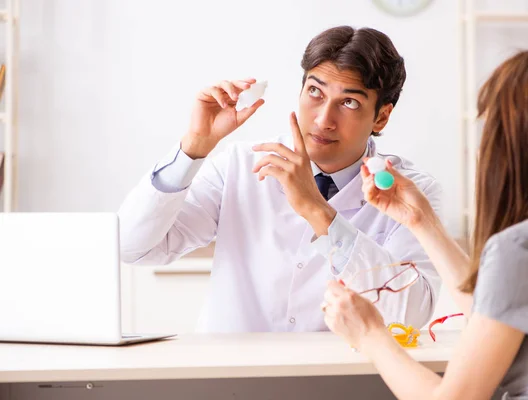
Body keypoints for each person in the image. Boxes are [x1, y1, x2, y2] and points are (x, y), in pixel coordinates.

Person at [118, 26, 443, 333]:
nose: (323, 119)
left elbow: (410, 314)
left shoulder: (411, 191)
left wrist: (319, 213)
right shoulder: (240, 165)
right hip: (231, 380)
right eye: (315, 91)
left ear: (381, 115)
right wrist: (193, 148)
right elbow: (132, 248)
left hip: (338, 381)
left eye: (349, 102)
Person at [322, 46, 528, 399]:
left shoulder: (521, 250)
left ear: (507, 143)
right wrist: (421, 220)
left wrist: (370, 335)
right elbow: (497, 306)